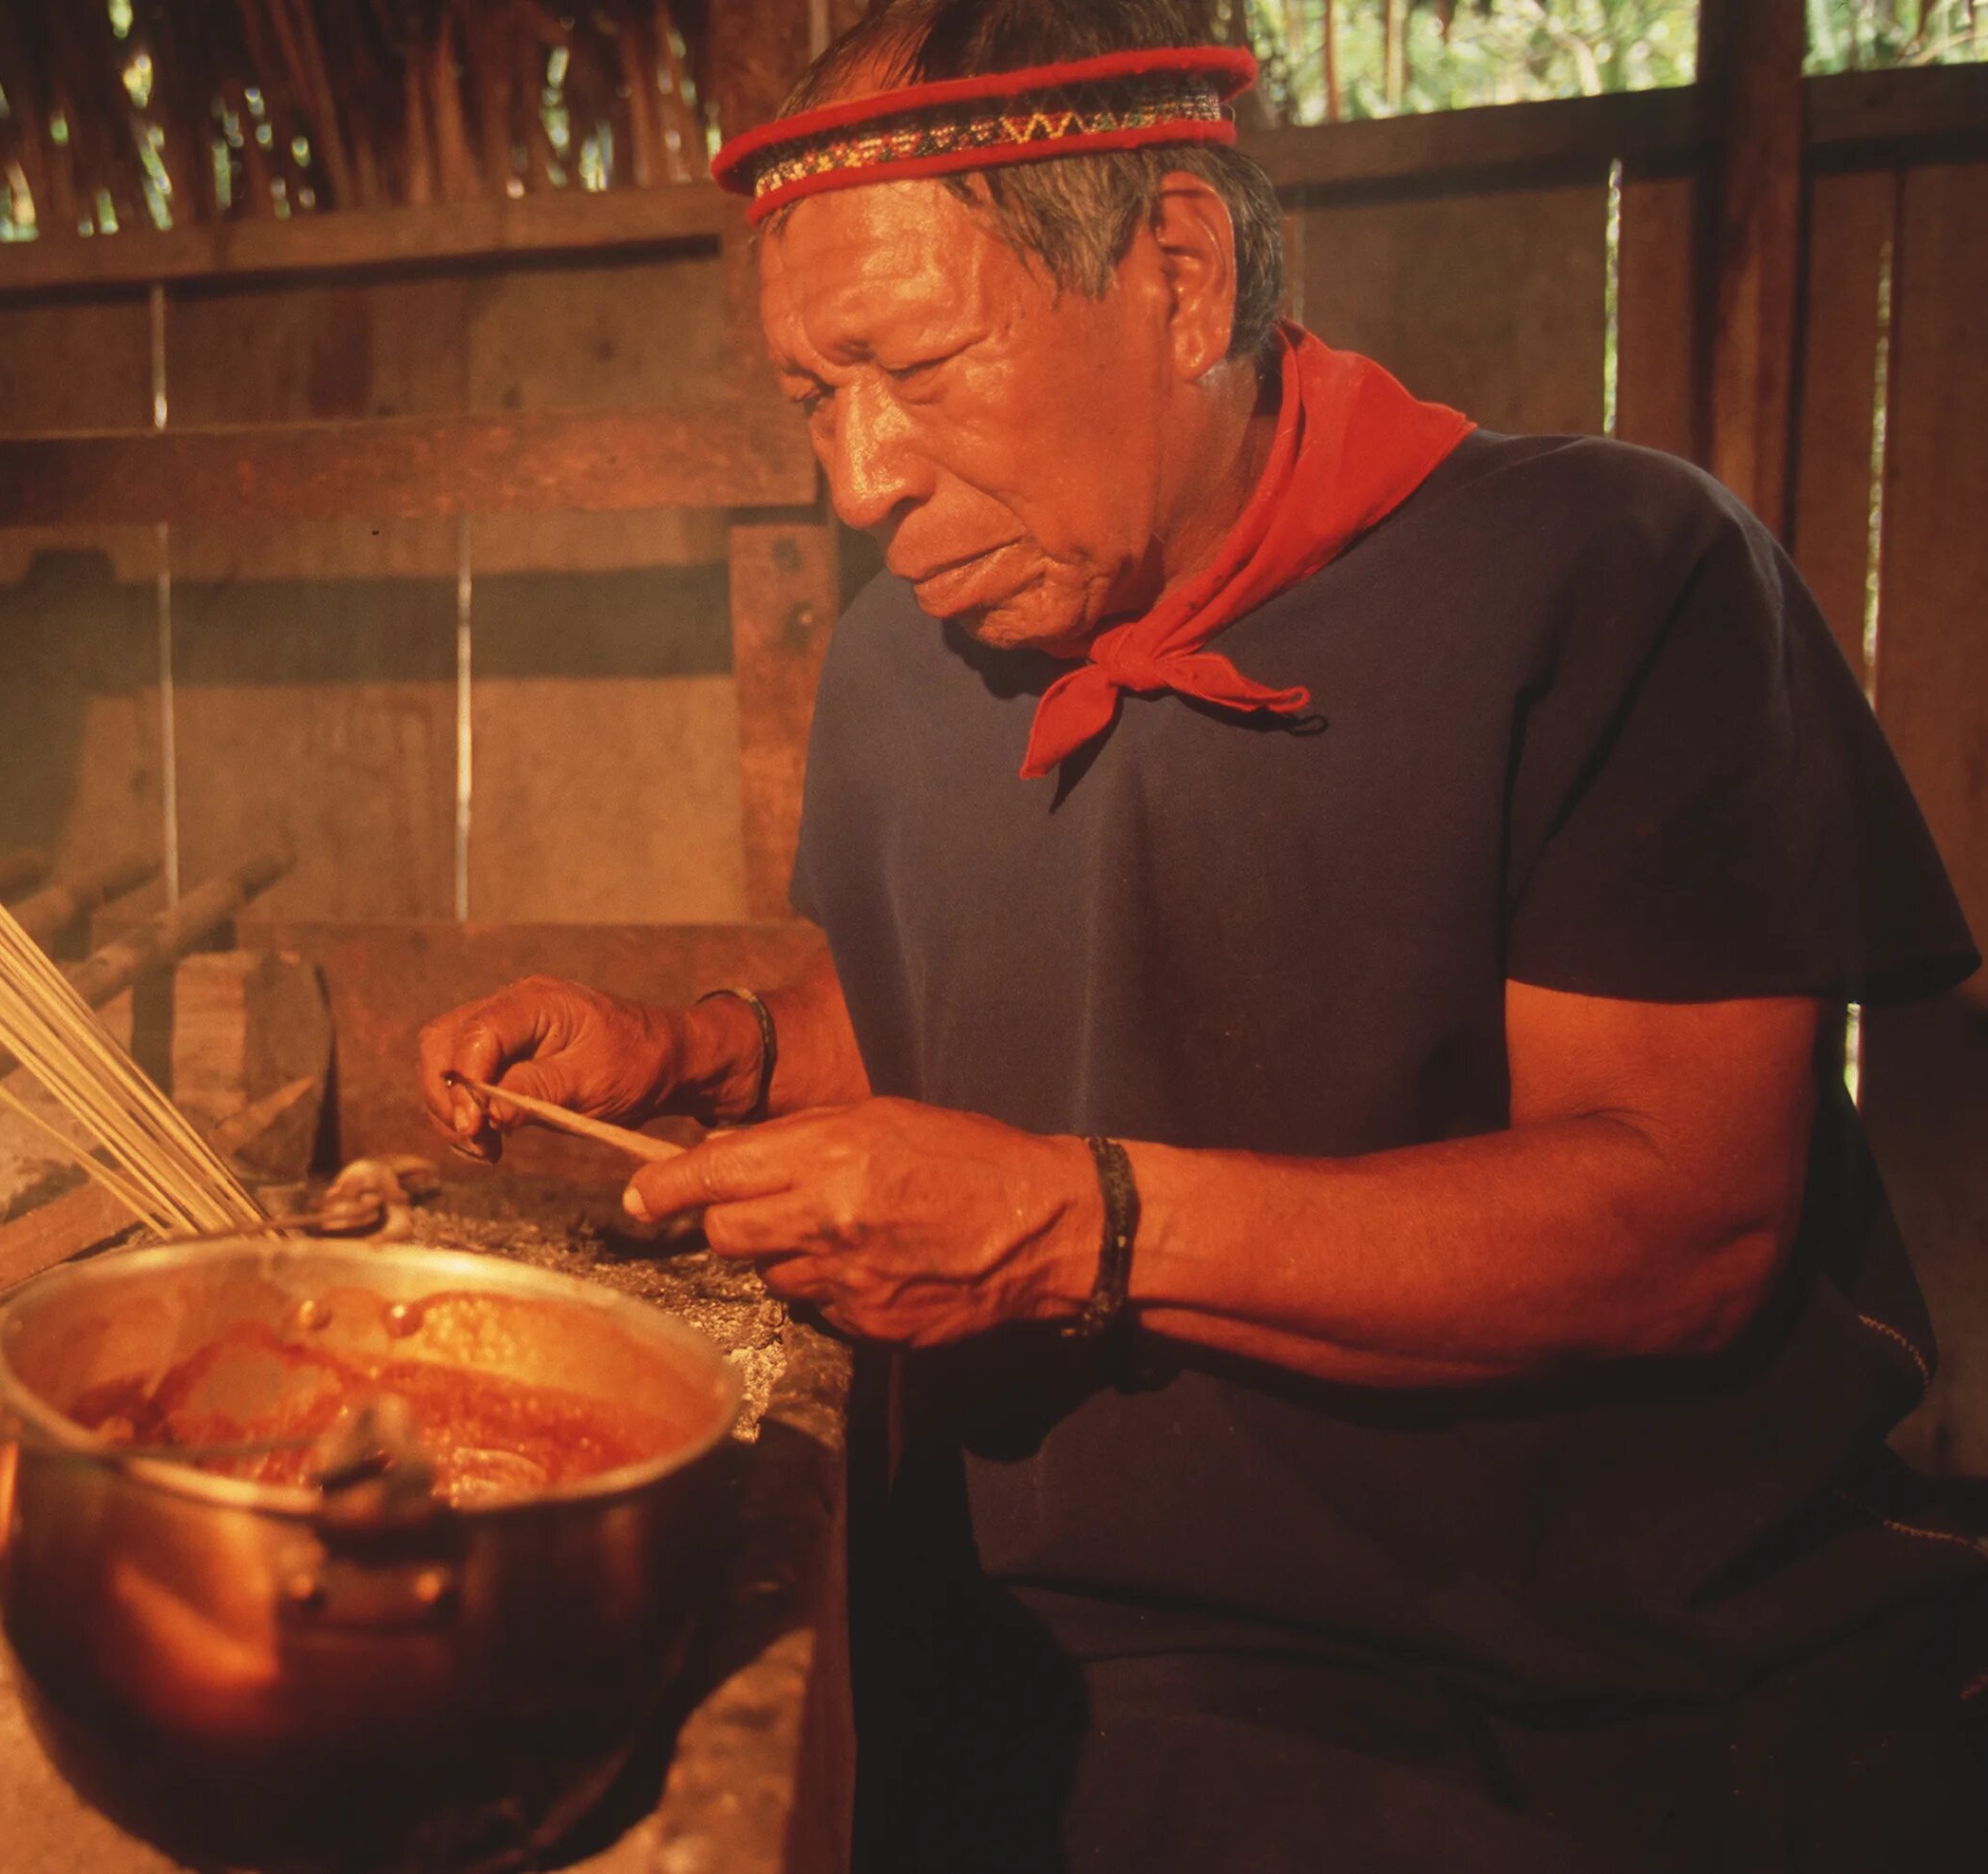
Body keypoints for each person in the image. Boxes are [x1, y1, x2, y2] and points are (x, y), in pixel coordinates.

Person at [415, 2, 1986, 1866]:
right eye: (810, 400)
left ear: (1179, 268)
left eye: (915, 362)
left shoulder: (1611, 581)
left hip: (1598, 1696)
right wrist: (700, 1052)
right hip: (1066, 1664)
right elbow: (944, 997)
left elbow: (1685, 1229)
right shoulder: (902, 665)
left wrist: (1077, 1228)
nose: (860, 477)